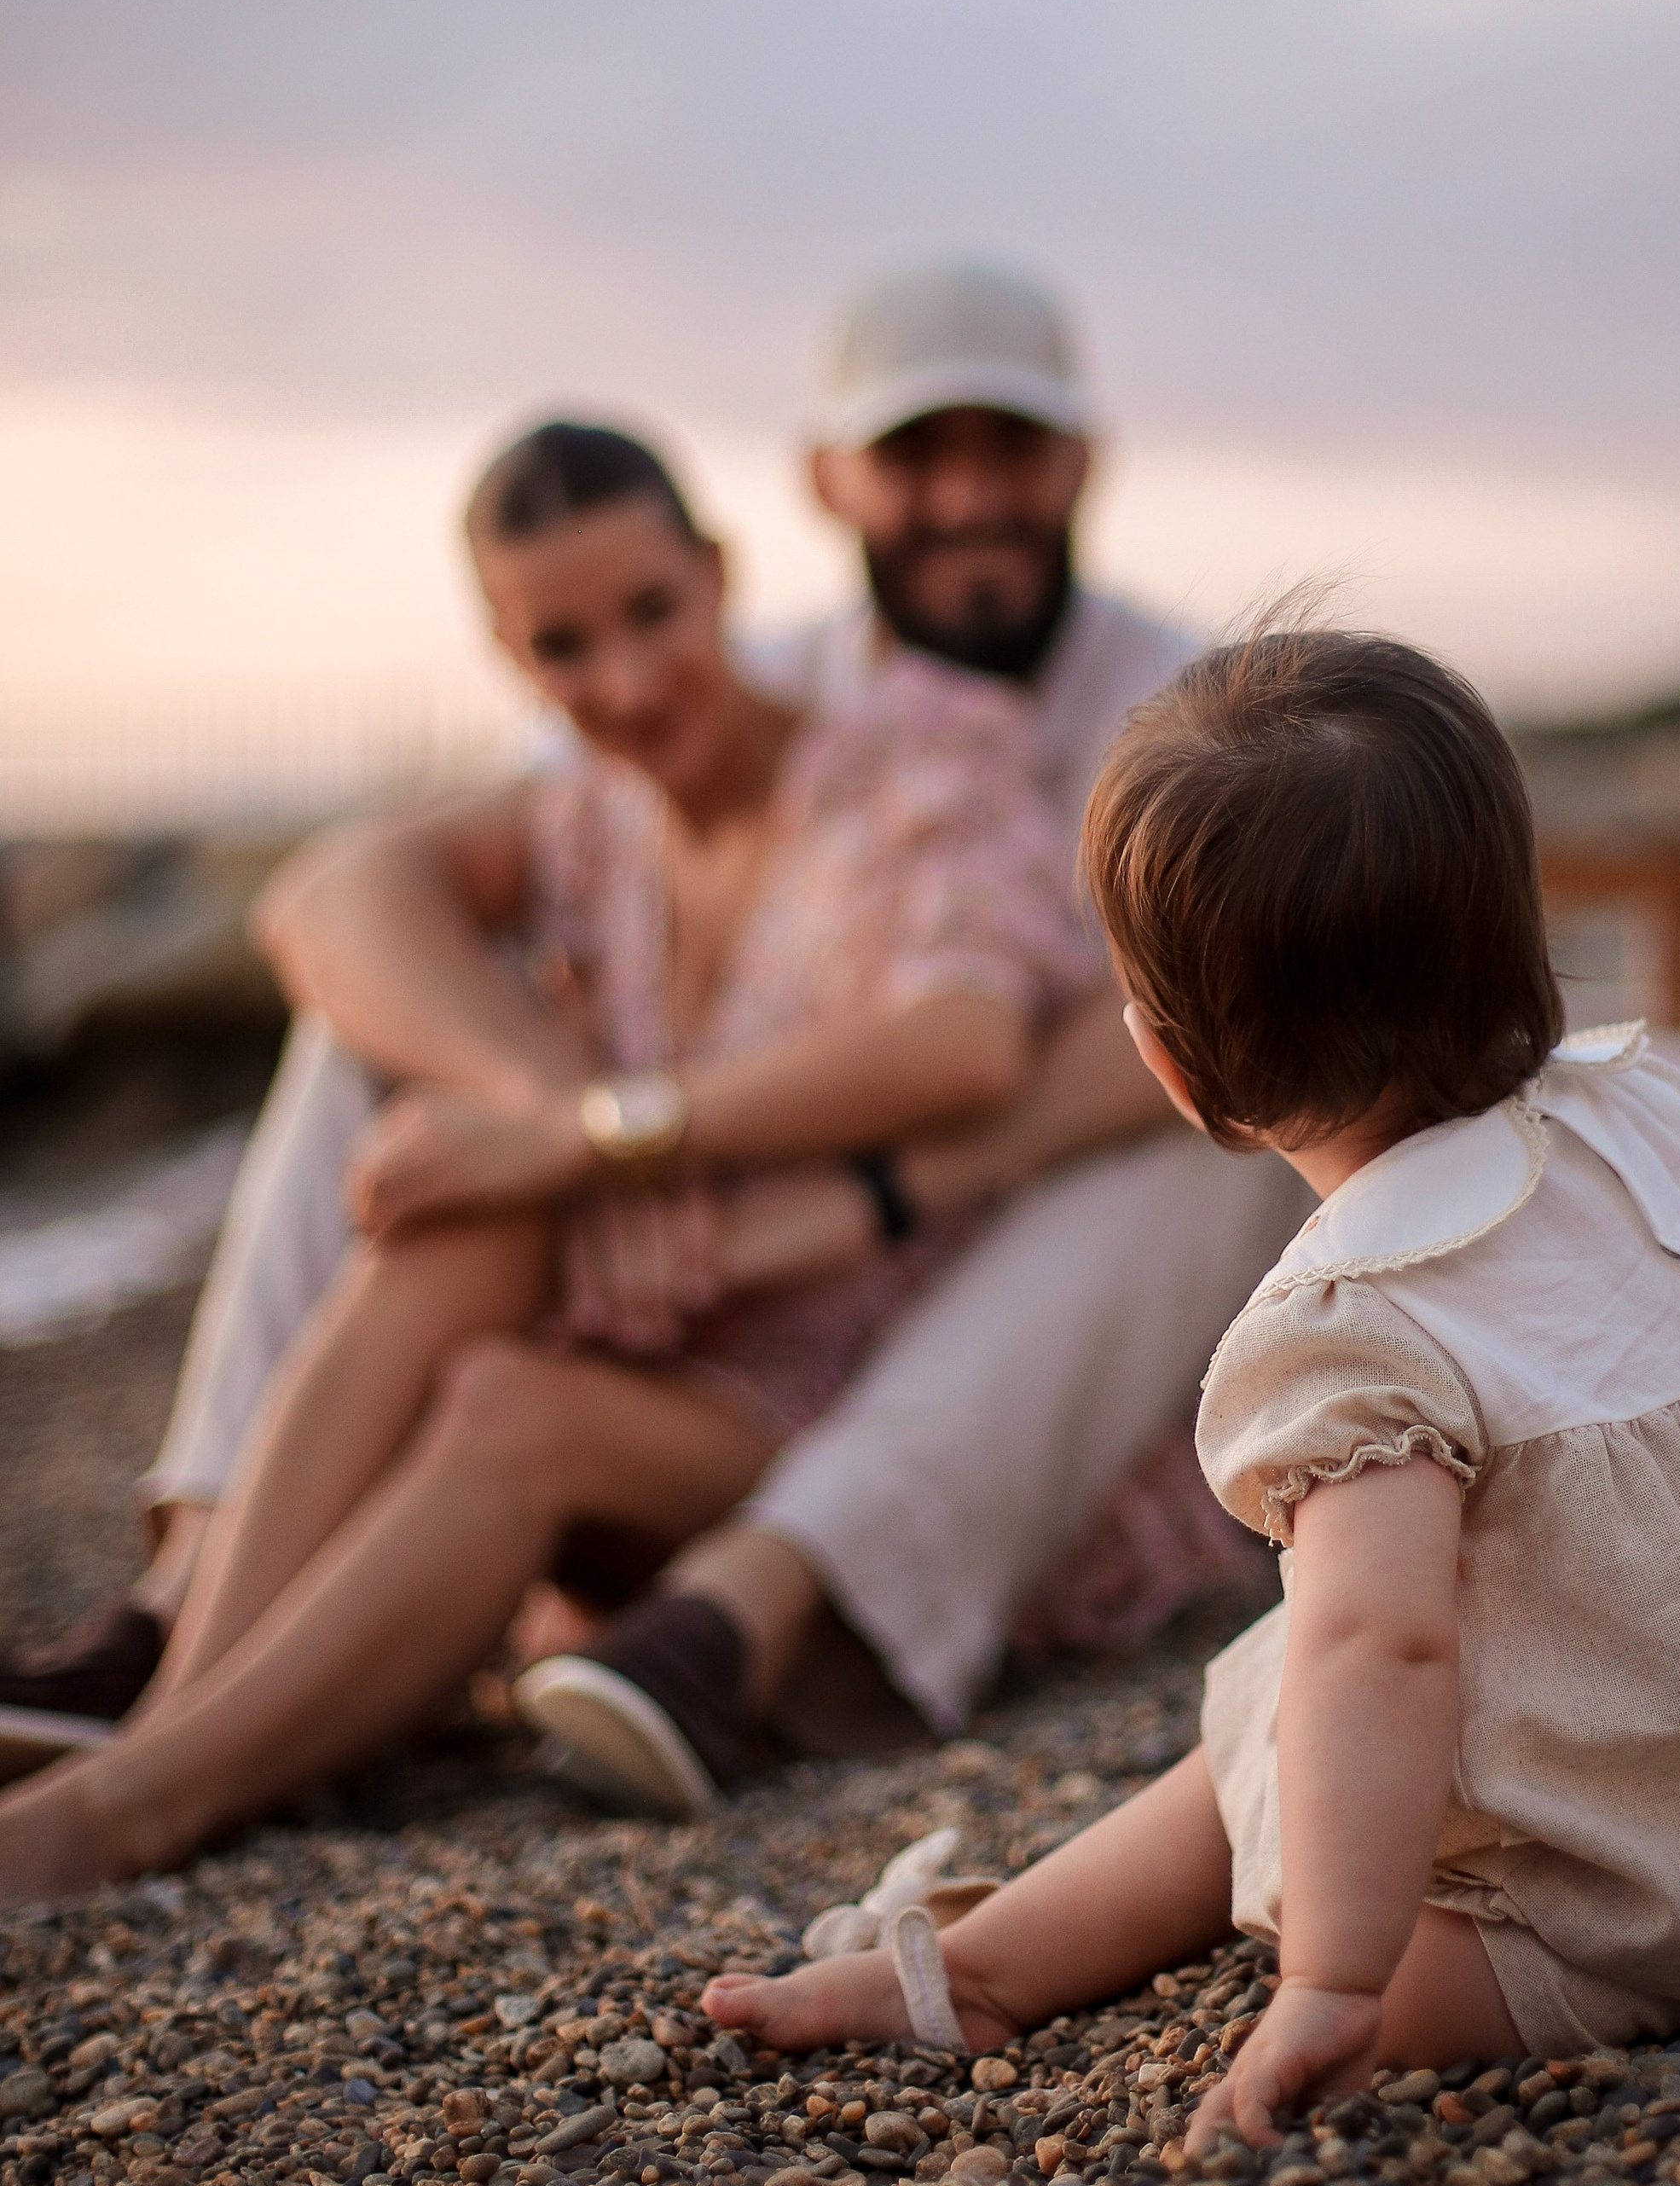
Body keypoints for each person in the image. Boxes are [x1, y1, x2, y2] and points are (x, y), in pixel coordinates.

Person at [696, 627, 1680, 2134]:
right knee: (1268, 1705)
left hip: (1630, 1911)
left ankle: (995, 1972)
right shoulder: (1640, 1125)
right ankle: (982, 1966)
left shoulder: (1348, 1331)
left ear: (1181, 1078)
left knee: (1281, 1726)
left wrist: (1333, 1980)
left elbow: (1378, 1653)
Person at [0, 267, 1306, 1802]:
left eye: (1007, 450)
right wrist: (567, 1119)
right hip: (692, 1287)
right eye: (915, 456)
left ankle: (776, 1593)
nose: (965, 498)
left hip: (969, 1307)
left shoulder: (1151, 709)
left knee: (1203, 1128)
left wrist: (693, 1164)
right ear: (829, 480)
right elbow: (337, 901)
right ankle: (192, 1612)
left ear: (1080, 459)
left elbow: (1039, 1045)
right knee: (403, 1071)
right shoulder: (699, 713)